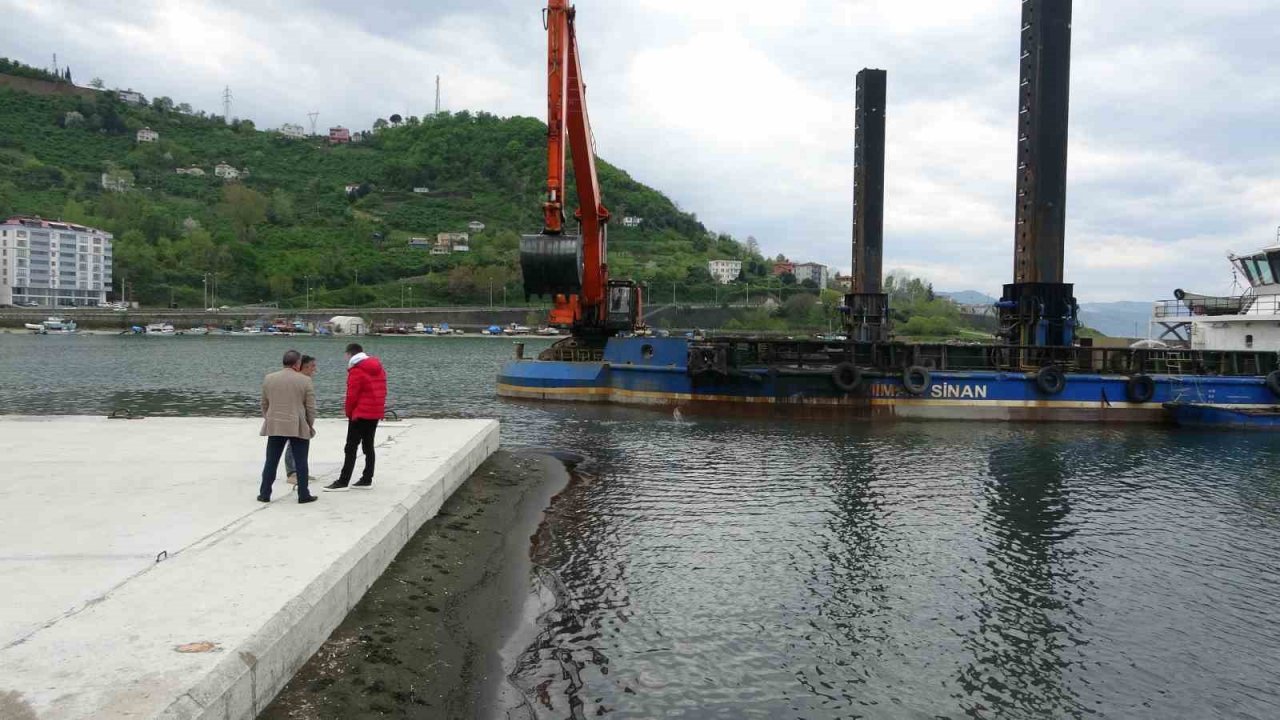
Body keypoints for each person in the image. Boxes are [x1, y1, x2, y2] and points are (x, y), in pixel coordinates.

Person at [325, 343, 386, 491]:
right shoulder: (379, 368)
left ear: (349, 354)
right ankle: (367, 479)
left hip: (360, 414)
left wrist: (349, 412)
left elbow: (352, 396)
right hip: (374, 412)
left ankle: (343, 481)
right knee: (368, 446)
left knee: (350, 447)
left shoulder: (356, 370)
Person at [259, 349, 318, 504]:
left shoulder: (269, 378)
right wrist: (309, 425)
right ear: (298, 364)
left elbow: (264, 404)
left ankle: (264, 493)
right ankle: (303, 494)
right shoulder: (305, 381)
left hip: (275, 425)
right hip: (297, 425)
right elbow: (310, 408)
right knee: (301, 462)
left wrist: (269, 419)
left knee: (271, 461)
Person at [285, 355, 317, 488]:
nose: (315, 369)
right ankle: (292, 472)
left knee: (302, 443)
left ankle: (301, 471)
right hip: (294, 415)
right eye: (313, 366)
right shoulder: (297, 380)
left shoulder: (306, 380)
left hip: (302, 416)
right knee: (292, 444)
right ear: (305, 366)